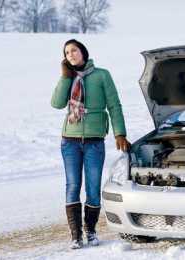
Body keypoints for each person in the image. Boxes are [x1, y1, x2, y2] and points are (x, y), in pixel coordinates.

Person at [51, 39, 130, 249]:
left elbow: (114, 105)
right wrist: (65, 77)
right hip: (70, 140)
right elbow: (57, 103)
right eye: (67, 53)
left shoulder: (102, 75)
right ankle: (75, 235)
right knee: (73, 186)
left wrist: (119, 133)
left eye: (74, 50)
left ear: (83, 52)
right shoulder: (69, 77)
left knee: (93, 188)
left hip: (94, 141)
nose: (71, 55)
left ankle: (91, 231)